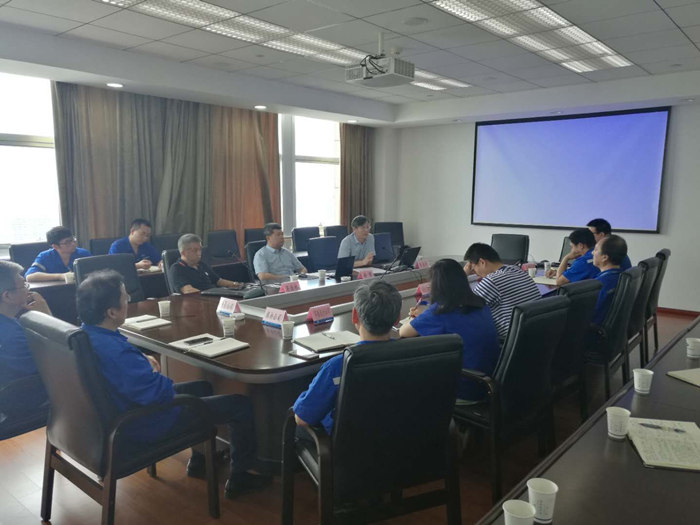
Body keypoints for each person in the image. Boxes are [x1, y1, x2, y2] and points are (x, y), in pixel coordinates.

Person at [76, 270, 269, 498]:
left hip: (121, 410)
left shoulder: (86, 336)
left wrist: (140, 359)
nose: (128, 299)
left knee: (202, 387)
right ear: (111, 312)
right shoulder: (116, 353)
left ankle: (200, 460)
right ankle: (240, 477)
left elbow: (125, 370)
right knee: (240, 405)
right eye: (124, 297)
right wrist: (150, 370)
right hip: (147, 420)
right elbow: (159, 394)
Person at [293, 281, 402, 434]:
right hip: (398, 438)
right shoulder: (409, 355)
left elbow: (302, 419)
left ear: (354, 315)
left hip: (349, 445)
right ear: (397, 318)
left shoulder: (338, 366)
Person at [399, 259, 499, 403]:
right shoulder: (480, 304)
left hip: (464, 389)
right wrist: (425, 315)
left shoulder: (440, 311)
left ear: (437, 286)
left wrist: (420, 317)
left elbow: (403, 332)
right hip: (489, 383)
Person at [0, 261, 51, 418]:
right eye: (24, 285)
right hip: (26, 402)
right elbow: (61, 362)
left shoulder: (9, 323)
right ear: (7, 296)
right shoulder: (14, 336)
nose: (29, 289)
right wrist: (47, 317)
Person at [463, 243, 541, 341]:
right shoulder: (517, 270)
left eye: (473, 269)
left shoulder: (492, 281)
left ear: (482, 262)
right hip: (534, 336)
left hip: (509, 341)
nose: (475, 273)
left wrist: (463, 275)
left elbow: (464, 307)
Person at [169, 234, 241, 294]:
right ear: (183, 253)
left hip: (213, 296)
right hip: (197, 301)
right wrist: (212, 294)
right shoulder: (177, 269)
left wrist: (237, 284)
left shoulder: (201, 264)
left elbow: (218, 281)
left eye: (200, 249)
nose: (199, 253)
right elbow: (188, 290)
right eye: (195, 250)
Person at [25, 226, 91, 282]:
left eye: (73, 240)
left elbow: (95, 272)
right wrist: (60, 276)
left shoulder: (83, 253)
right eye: (67, 242)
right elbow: (29, 276)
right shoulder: (45, 256)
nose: (73, 244)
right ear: (55, 246)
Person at [591, 234, 628, 326]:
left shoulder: (601, 284)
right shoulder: (621, 276)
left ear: (604, 257)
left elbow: (592, 314)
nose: (592, 253)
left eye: (596, 250)